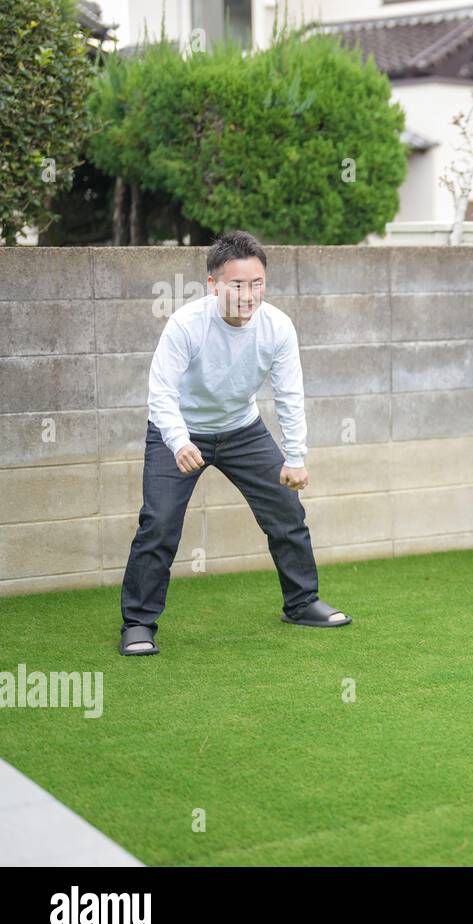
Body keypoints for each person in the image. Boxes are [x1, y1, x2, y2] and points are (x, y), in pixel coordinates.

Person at [119, 230, 351, 656]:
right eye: (238, 284)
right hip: (179, 434)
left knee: (287, 511)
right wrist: (177, 440)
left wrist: (295, 457)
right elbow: (161, 392)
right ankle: (138, 623)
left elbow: (288, 394)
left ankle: (302, 603)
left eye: (257, 283)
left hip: (242, 429)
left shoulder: (277, 327)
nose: (249, 295)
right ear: (214, 285)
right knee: (159, 523)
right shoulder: (186, 325)